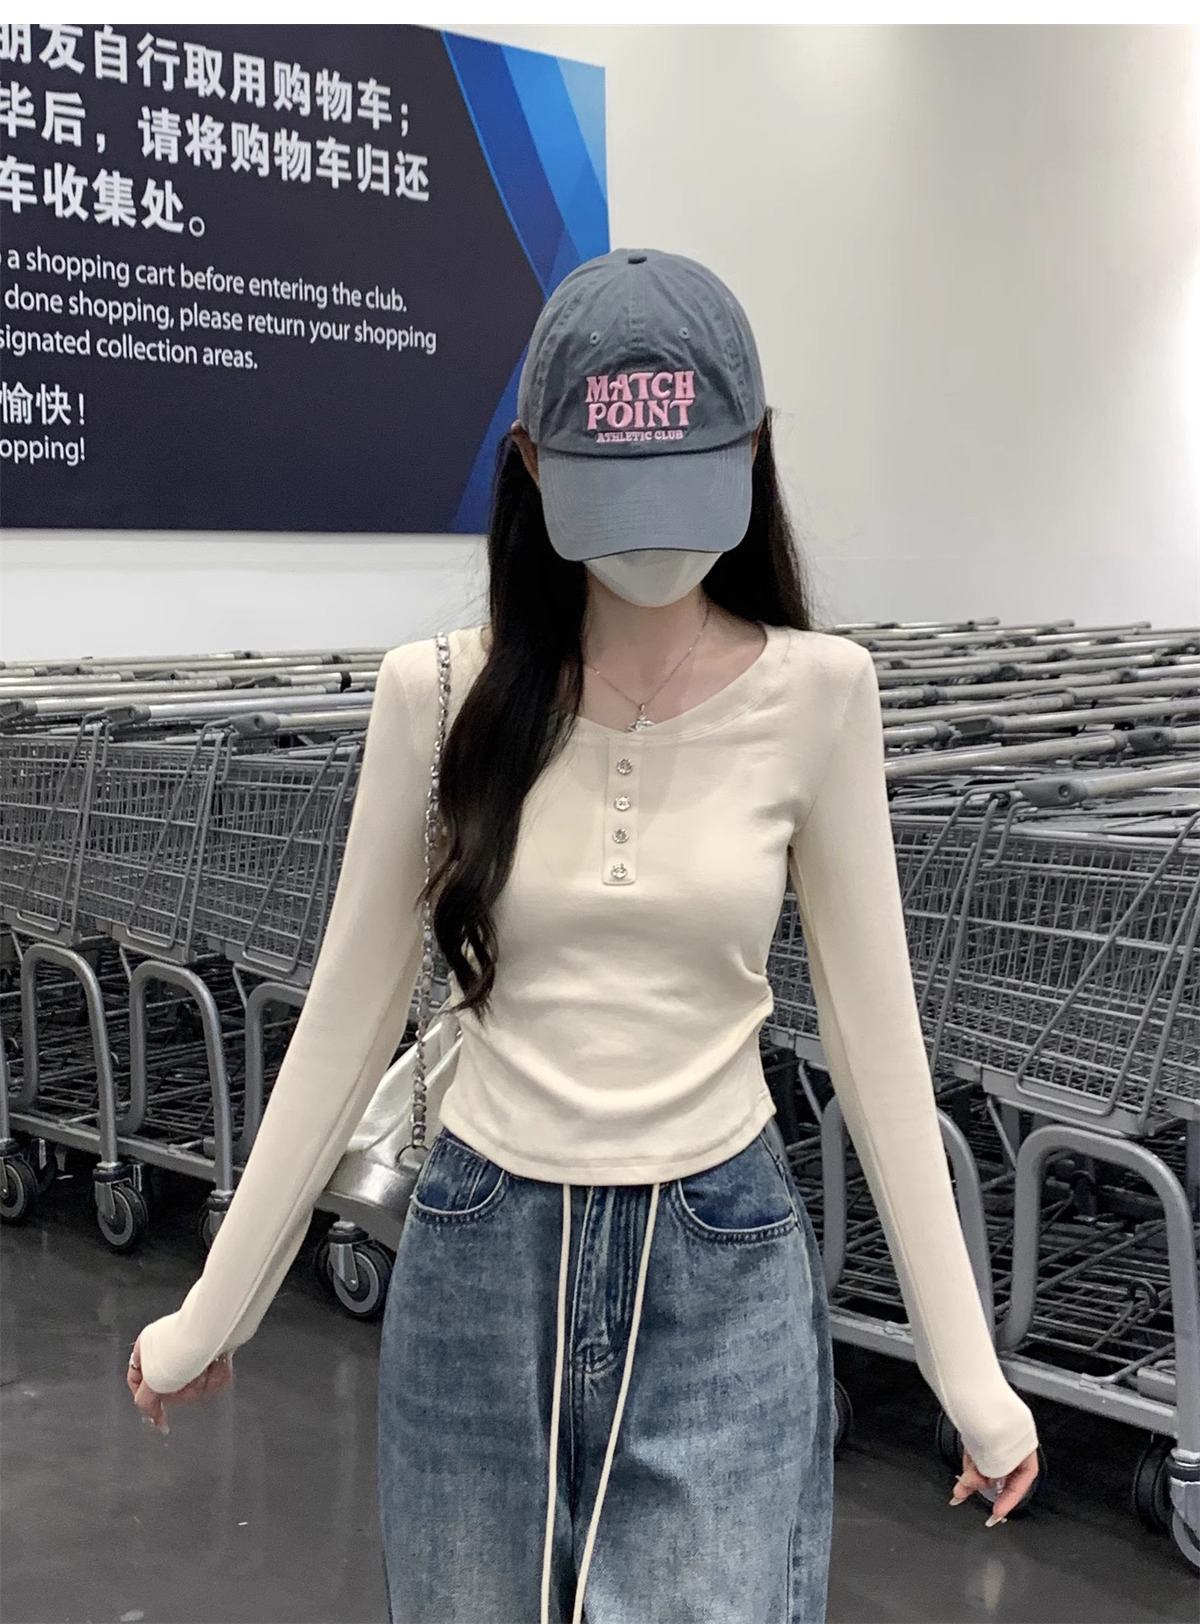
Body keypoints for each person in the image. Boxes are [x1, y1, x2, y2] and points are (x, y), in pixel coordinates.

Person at [128, 248, 1040, 1623]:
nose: (654, 542)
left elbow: (876, 1041)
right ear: (533, 468)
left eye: (687, 488)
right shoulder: (440, 694)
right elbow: (349, 1019)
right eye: (616, 494)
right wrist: (219, 1306)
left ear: (754, 454)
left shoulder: (820, 694)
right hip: (479, 1255)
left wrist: (971, 1377)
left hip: (722, 1263)